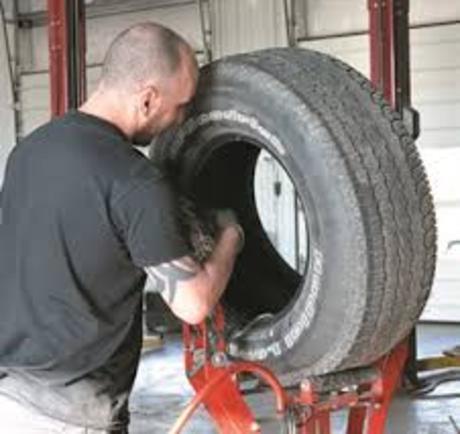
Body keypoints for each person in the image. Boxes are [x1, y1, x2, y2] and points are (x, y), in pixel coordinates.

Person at [0, 22, 243, 433]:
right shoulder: (137, 182)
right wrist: (231, 237)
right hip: (73, 415)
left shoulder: (27, 152)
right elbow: (193, 304)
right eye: (181, 106)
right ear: (148, 99)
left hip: (9, 400)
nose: (181, 119)